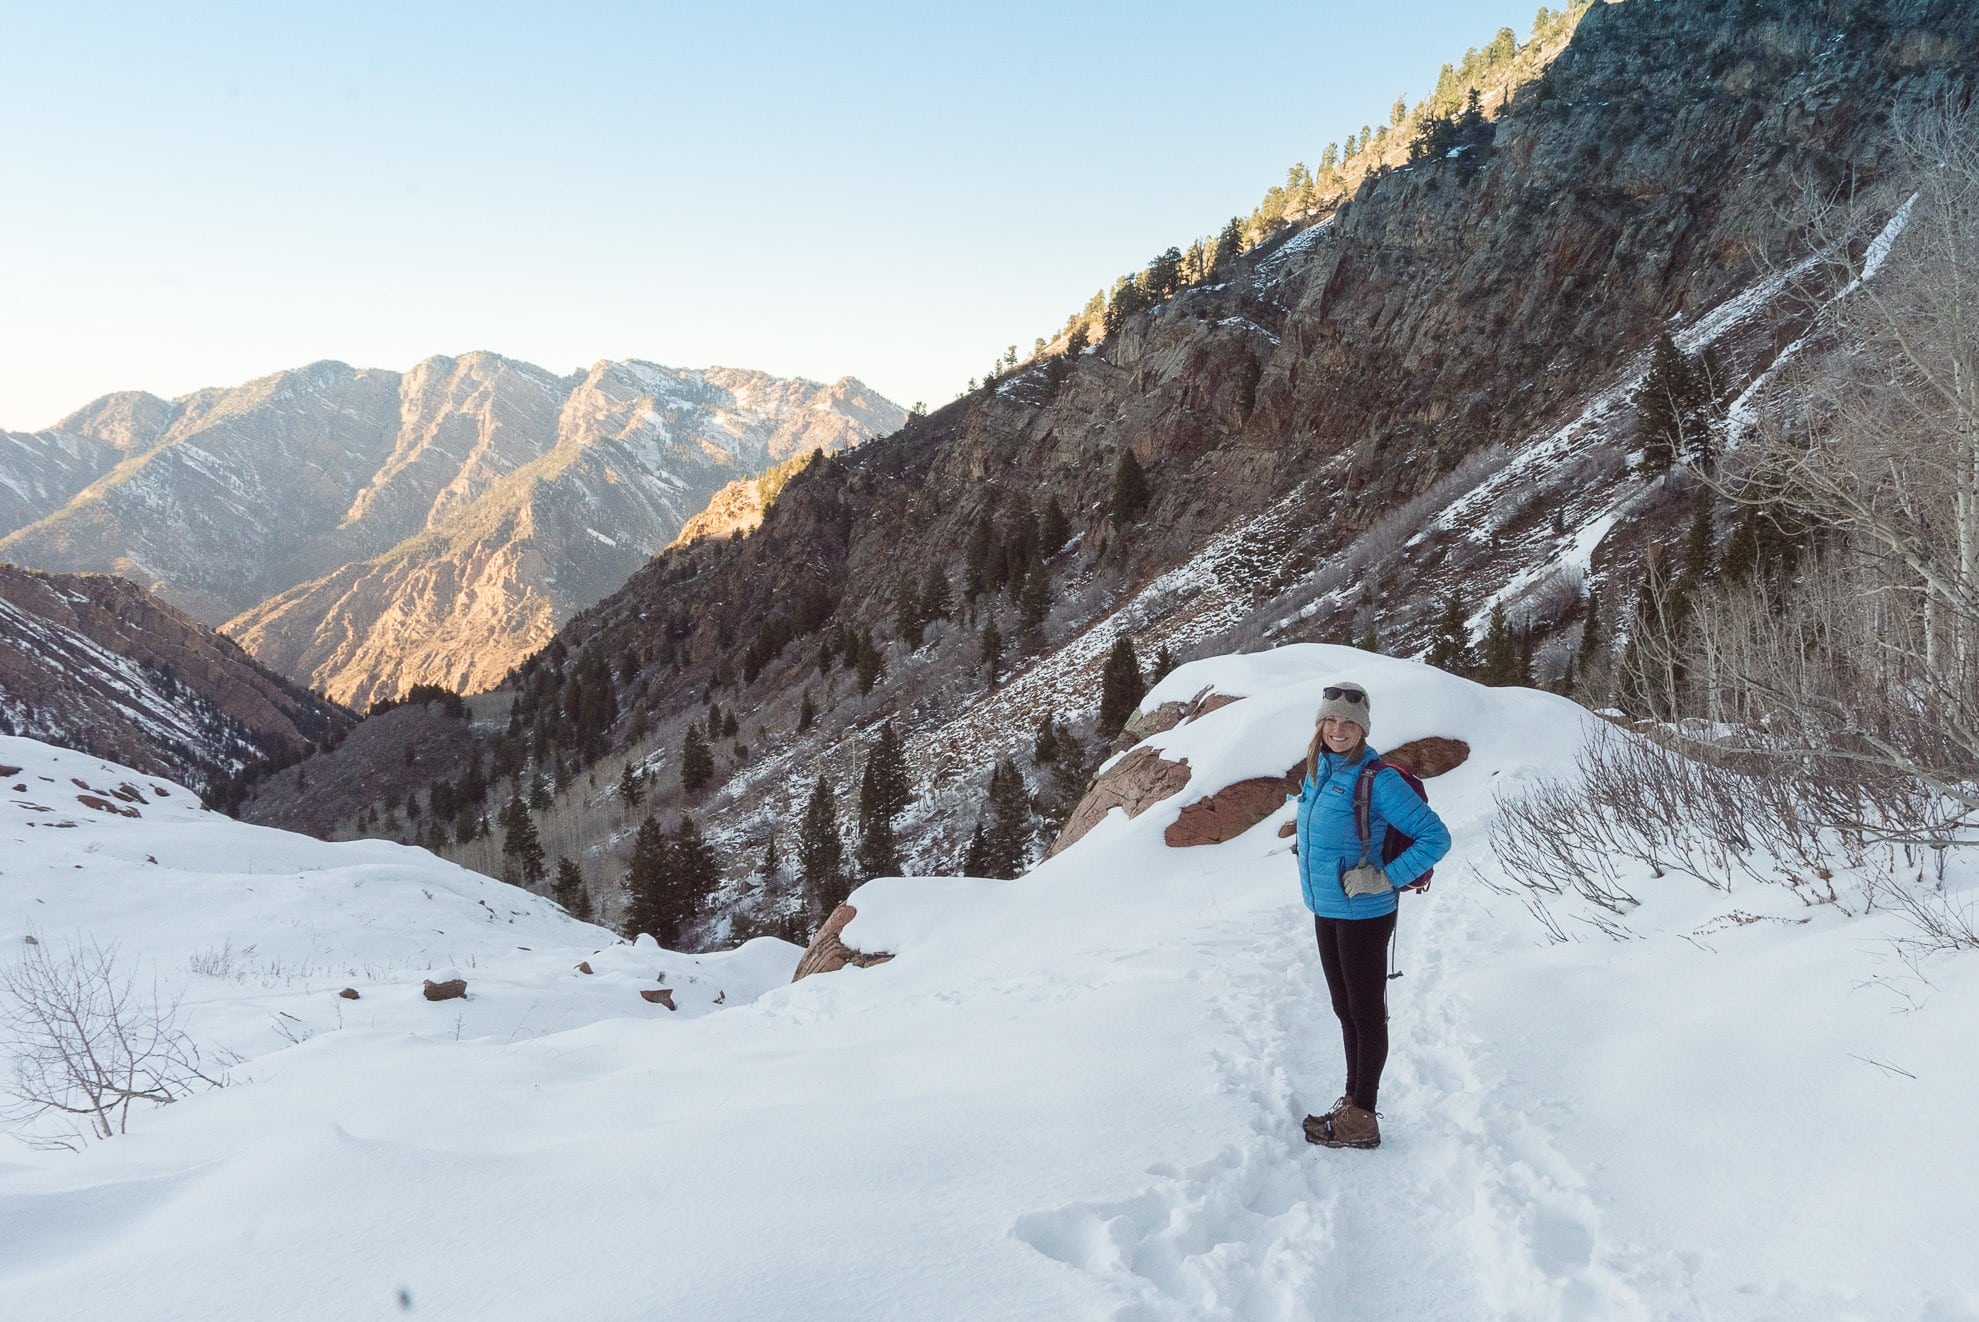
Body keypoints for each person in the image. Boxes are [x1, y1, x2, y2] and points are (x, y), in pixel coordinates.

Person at [1293, 682, 1450, 1149]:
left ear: (1363, 729)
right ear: (1320, 723)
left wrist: (1384, 878)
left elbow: (1435, 838)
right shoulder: (1318, 769)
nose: (1338, 730)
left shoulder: (1378, 779)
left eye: (1349, 723)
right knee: (1345, 1010)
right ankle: (1352, 1102)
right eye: (1331, 720)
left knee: (1365, 1014)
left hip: (1365, 912)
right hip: (1327, 907)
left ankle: (1363, 1117)